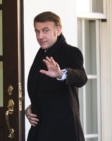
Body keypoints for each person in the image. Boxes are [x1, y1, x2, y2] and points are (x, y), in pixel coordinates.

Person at [25, 11, 87, 141]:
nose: (40, 36)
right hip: (40, 130)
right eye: (37, 31)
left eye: (45, 30)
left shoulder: (71, 52)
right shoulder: (42, 53)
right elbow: (42, 89)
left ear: (58, 30)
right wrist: (32, 108)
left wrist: (61, 73)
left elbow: (81, 77)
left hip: (63, 132)